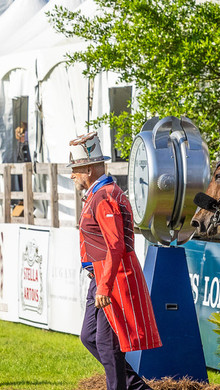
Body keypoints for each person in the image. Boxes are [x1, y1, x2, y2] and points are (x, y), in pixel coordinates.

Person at [69, 132, 161, 390]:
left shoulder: (104, 196)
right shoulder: (100, 193)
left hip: (112, 280)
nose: (72, 175)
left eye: (75, 169)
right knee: (90, 338)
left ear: (87, 169)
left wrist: (104, 287)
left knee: (108, 347)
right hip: (101, 278)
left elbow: (115, 245)